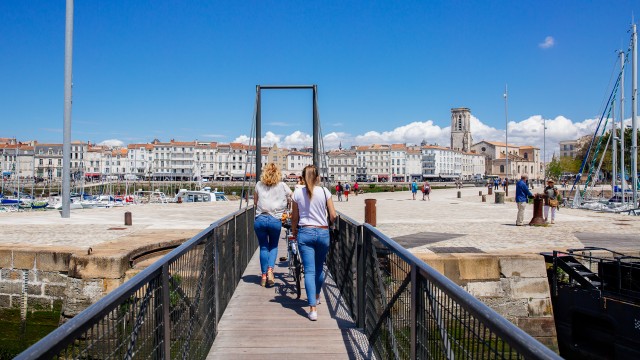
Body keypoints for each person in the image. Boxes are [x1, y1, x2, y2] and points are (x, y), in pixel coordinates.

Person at [291, 165, 337, 321]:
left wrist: (294, 230)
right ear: (318, 177)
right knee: (319, 268)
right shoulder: (325, 192)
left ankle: (312, 309)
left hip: (305, 232)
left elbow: (295, 217)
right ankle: (317, 296)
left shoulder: (297, 193)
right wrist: (331, 224)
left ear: (303, 178)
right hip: (323, 232)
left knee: (309, 271)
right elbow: (333, 214)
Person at [254, 163, 292, 287]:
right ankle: (270, 269)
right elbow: (292, 196)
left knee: (263, 247)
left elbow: (255, 202)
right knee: (273, 245)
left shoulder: (258, 184)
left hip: (260, 219)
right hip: (275, 219)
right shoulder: (282, 185)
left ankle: (263, 276)